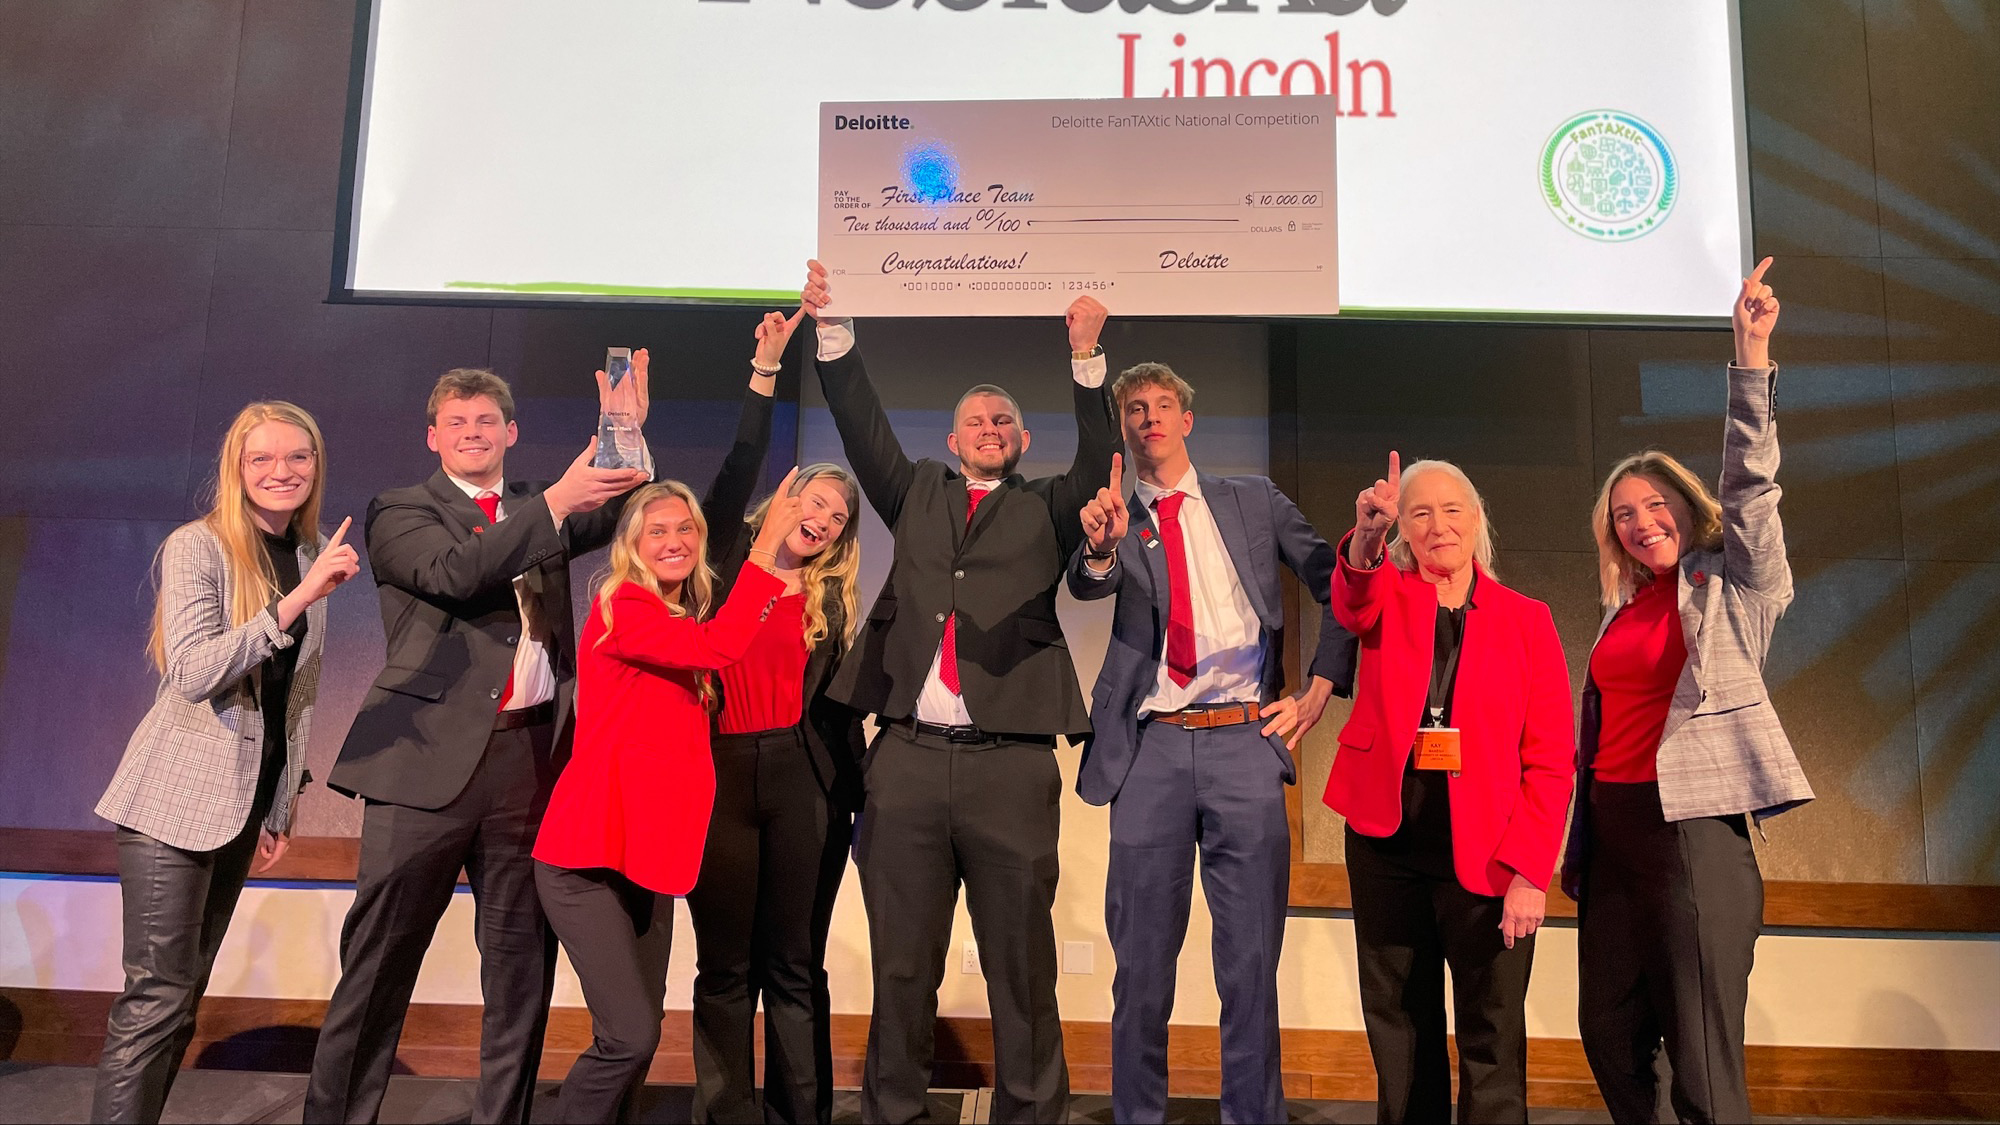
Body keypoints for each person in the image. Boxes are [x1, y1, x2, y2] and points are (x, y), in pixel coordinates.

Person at [800, 260, 1119, 1124]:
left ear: (1019, 442)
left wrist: (1087, 360)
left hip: (1011, 767)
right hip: (902, 761)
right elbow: (863, 427)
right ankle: (893, 1113)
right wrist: (836, 332)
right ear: (952, 439)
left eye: (1004, 420)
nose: (990, 426)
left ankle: (1030, 1114)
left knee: (1022, 964)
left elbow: (1100, 465)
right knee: (902, 964)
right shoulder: (916, 493)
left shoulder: (1049, 508)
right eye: (975, 418)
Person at [305, 363, 652, 1125]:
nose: (472, 433)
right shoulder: (398, 509)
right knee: (379, 967)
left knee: (520, 970)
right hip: (422, 766)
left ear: (510, 432)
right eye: (457, 424)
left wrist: (622, 430)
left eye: (486, 421)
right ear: (434, 437)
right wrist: (556, 502)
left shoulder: (537, 503)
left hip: (529, 763)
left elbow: (625, 498)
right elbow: (458, 571)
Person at [1065, 363, 1357, 1124]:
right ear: (1125, 428)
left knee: (1251, 963)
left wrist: (1322, 684)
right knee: (1142, 970)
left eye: (1164, 405)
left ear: (1187, 421)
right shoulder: (1117, 516)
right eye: (1136, 408)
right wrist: (1099, 549)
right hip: (1152, 748)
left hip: (1243, 739)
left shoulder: (1253, 500)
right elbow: (1089, 579)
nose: (1150, 417)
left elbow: (1341, 584)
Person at [1564, 258, 1812, 1125]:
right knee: (1608, 1029)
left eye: (1656, 503)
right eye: (1624, 512)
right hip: (1613, 834)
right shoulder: (1620, 610)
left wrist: (1750, 357)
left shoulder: (1734, 591)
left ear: (1685, 505)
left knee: (1702, 1059)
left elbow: (1753, 490)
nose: (1642, 520)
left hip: (1694, 836)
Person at [90, 402, 359, 1124]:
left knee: (181, 1005)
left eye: (297, 457)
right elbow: (194, 671)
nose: (282, 472)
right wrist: (299, 601)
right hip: (171, 804)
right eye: (263, 459)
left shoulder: (307, 556)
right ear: (236, 468)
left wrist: (278, 809)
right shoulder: (199, 546)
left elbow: (297, 697)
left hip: (243, 808)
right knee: (155, 1000)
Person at [531, 472, 805, 1124]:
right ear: (632, 543)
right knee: (628, 1034)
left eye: (686, 528)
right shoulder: (624, 605)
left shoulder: (680, 615)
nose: (675, 539)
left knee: (639, 1028)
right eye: (658, 530)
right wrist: (765, 552)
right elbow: (719, 646)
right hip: (586, 857)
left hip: (645, 858)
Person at [1322, 453, 1575, 1125]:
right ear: (1403, 526)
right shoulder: (1387, 592)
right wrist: (1367, 538)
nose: (1439, 524)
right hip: (1387, 845)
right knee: (1400, 1024)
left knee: (1492, 1032)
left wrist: (1529, 871)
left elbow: (1551, 759)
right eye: (1421, 512)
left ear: (1477, 519)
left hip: (1489, 855)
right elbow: (1350, 599)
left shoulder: (1528, 619)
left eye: (1453, 509)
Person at [684, 309, 867, 1125]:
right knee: (725, 966)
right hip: (717, 771)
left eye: (836, 514)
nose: (821, 517)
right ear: (785, 498)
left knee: (794, 964)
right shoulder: (723, 563)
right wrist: (765, 371)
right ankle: (725, 1112)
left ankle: (803, 1114)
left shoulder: (831, 600)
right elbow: (735, 466)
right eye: (813, 499)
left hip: (802, 781)